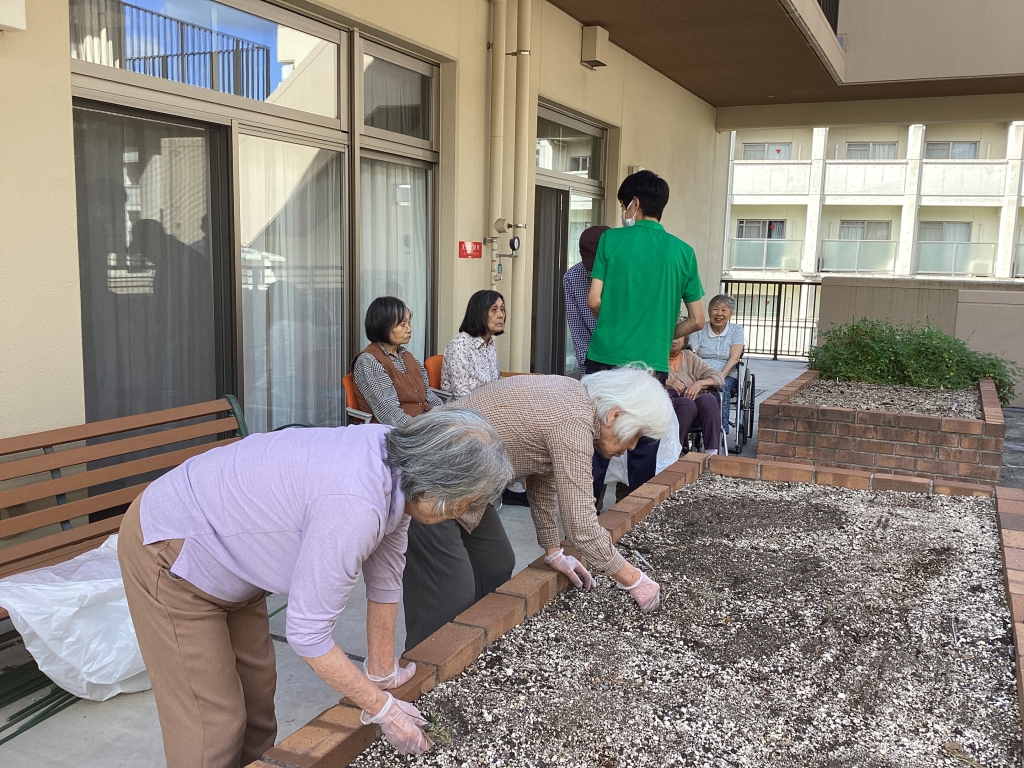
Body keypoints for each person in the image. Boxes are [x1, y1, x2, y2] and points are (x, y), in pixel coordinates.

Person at [117, 409, 514, 766]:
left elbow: (386, 574)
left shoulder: (403, 462)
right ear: (435, 488)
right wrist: (382, 710)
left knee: (257, 705)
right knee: (213, 722)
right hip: (174, 553)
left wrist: (381, 672)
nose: (462, 512)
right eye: (464, 502)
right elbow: (307, 634)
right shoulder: (354, 505)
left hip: (235, 553)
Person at [402, 367, 673, 650]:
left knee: (496, 563)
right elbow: (582, 528)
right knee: (450, 591)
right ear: (614, 415)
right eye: (635, 435)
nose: (631, 447)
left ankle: (472, 647)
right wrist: (634, 579)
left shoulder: (574, 402)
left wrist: (553, 550)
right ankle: (422, 669)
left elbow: (541, 471)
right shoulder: (573, 420)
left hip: (466, 490)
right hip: (429, 485)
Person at [585, 170, 706, 495]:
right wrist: (665, 332)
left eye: (624, 205)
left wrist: (612, 319)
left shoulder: (611, 239)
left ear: (635, 204)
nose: (623, 212)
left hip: (605, 357)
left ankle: (586, 520)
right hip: (652, 361)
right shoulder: (683, 252)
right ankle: (632, 520)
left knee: (595, 440)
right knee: (643, 443)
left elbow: (594, 299)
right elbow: (697, 319)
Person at [353, 296, 443, 425]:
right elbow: (390, 414)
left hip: (424, 421)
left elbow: (429, 395)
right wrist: (424, 430)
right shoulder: (369, 361)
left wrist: (449, 416)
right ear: (383, 326)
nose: (409, 329)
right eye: (403, 324)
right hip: (399, 432)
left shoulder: (406, 355)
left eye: (409, 323)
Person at [688, 295, 745, 434]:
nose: (719, 313)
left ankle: (720, 432)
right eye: (715, 309)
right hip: (700, 373)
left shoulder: (736, 330)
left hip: (726, 375)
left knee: (722, 389)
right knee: (689, 388)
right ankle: (693, 426)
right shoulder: (699, 329)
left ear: (730, 313)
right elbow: (692, 355)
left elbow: (734, 358)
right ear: (709, 311)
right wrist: (702, 379)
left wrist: (716, 379)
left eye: (724, 310)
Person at [440, 289, 505, 396]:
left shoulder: (490, 343)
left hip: (487, 404)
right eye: (494, 309)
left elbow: (493, 384)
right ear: (479, 313)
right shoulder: (460, 344)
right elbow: (460, 393)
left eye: (502, 309)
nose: (501, 315)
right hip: (462, 409)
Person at [563, 225, 609, 376]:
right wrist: (587, 368)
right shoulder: (572, 277)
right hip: (593, 359)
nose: (592, 270)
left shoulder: (625, 273)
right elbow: (577, 327)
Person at [666, 336, 725, 454]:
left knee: (709, 399)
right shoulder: (656, 358)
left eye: (679, 336)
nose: (675, 339)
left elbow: (719, 377)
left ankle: (711, 454)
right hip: (667, 411)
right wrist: (665, 382)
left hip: (694, 412)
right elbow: (642, 378)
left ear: (684, 340)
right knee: (687, 404)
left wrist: (700, 383)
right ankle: (673, 452)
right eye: (671, 335)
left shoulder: (689, 357)